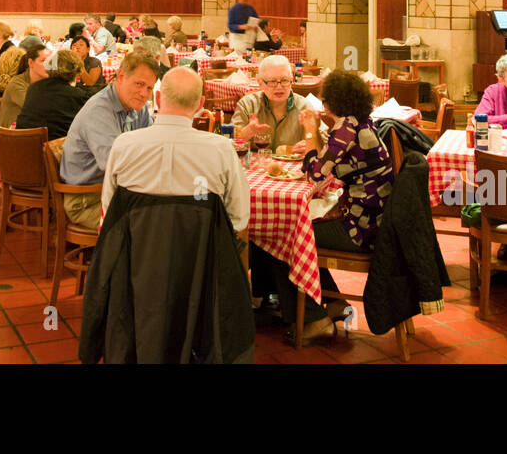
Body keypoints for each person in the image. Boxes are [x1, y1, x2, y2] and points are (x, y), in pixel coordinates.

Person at [253, 70, 394, 344]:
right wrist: (313, 139)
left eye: (325, 99)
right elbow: (326, 161)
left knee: (284, 237)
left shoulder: (347, 128)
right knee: (302, 229)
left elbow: (316, 173)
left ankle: (314, 320)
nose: (322, 104)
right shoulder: (360, 123)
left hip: (360, 228)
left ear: (335, 101)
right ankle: (332, 302)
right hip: (373, 219)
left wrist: (308, 131)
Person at [102, 67, 248, 231]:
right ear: (201, 103)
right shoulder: (222, 149)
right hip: (202, 254)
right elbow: (239, 218)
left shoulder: (123, 145)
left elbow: (109, 210)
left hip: (133, 252)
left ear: (157, 98)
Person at [59, 52, 157, 229]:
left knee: (169, 212)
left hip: (116, 191)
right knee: (153, 222)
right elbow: (115, 166)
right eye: (139, 84)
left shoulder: (136, 105)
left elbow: (152, 143)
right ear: (120, 76)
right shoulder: (99, 111)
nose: (144, 93)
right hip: (86, 200)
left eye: (149, 88)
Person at [232, 55, 324, 150]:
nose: (279, 87)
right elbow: (229, 144)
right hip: (255, 164)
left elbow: (324, 145)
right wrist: (247, 132)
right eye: (272, 81)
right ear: (260, 83)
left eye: (284, 80)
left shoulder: (304, 106)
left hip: (293, 164)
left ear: (292, 80)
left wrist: (311, 141)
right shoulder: (247, 105)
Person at [17, 49, 96, 142]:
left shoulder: (33, 88)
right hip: (52, 151)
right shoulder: (75, 95)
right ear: (76, 71)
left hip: (20, 146)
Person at [0, 45, 48, 129]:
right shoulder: (16, 83)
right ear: (30, 63)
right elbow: (36, 108)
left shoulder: (46, 82)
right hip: (9, 136)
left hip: (32, 130)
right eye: (43, 61)